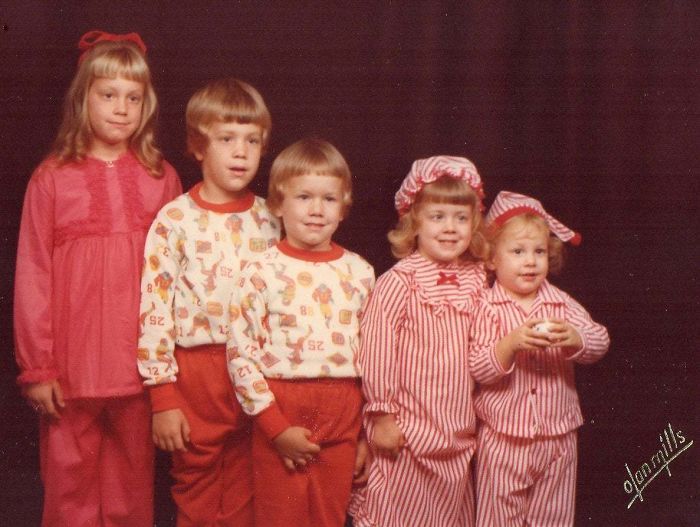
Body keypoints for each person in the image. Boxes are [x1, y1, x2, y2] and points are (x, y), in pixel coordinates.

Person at [13, 30, 182, 526]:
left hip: (138, 368)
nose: (121, 108)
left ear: (146, 105)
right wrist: (38, 367)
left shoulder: (161, 176)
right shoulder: (52, 176)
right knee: (69, 484)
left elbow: (174, 277)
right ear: (82, 96)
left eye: (133, 98)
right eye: (108, 95)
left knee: (133, 484)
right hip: (71, 368)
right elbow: (32, 275)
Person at [137, 77, 279, 526]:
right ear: (198, 146)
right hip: (197, 373)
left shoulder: (271, 216)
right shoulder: (175, 219)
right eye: (226, 139)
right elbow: (154, 306)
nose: (241, 152)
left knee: (245, 484)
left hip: (256, 373)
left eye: (252, 140)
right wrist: (163, 397)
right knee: (196, 484)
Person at [227, 137, 375, 527]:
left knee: (328, 518)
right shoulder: (260, 270)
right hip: (282, 408)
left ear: (343, 206)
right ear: (278, 203)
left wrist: (362, 435)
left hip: (343, 413)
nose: (316, 210)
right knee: (280, 518)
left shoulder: (360, 272)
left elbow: (375, 358)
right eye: (304, 197)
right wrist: (275, 429)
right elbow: (241, 356)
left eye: (328, 199)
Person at [351, 156, 488, 527]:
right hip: (408, 432)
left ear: (474, 223)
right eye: (437, 216)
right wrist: (381, 415)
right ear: (414, 223)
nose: (450, 228)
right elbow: (376, 352)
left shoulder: (478, 278)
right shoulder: (400, 281)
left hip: (458, 430)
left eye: (461, 218)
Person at [468, 190, 610, 526]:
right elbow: (478, 367)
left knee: (554, 518)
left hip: (558, 438)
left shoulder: (560, 303)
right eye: (517, 251)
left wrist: (577, 339)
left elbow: (600, 339)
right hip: (503, 439)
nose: (530, 261)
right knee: (497, 518)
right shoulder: (486, 308)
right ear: (490, 258)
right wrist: (510, 344)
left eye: (539, 251)